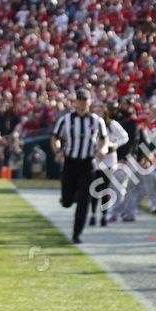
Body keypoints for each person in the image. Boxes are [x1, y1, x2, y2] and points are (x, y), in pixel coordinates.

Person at [51, 88, 107, 244]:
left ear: (89, 102)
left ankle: (77, 234)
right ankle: (72, 195)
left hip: (88, 164)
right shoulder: (65, 120)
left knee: (84, 201)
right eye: (80, 99)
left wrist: (103, 149)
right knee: (67, 201)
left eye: (85, 99)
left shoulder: (97, 121)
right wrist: (57, 150)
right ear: (75, 102)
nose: (82, 102)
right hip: (70, 162)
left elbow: (104, 139)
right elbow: (56, 137)